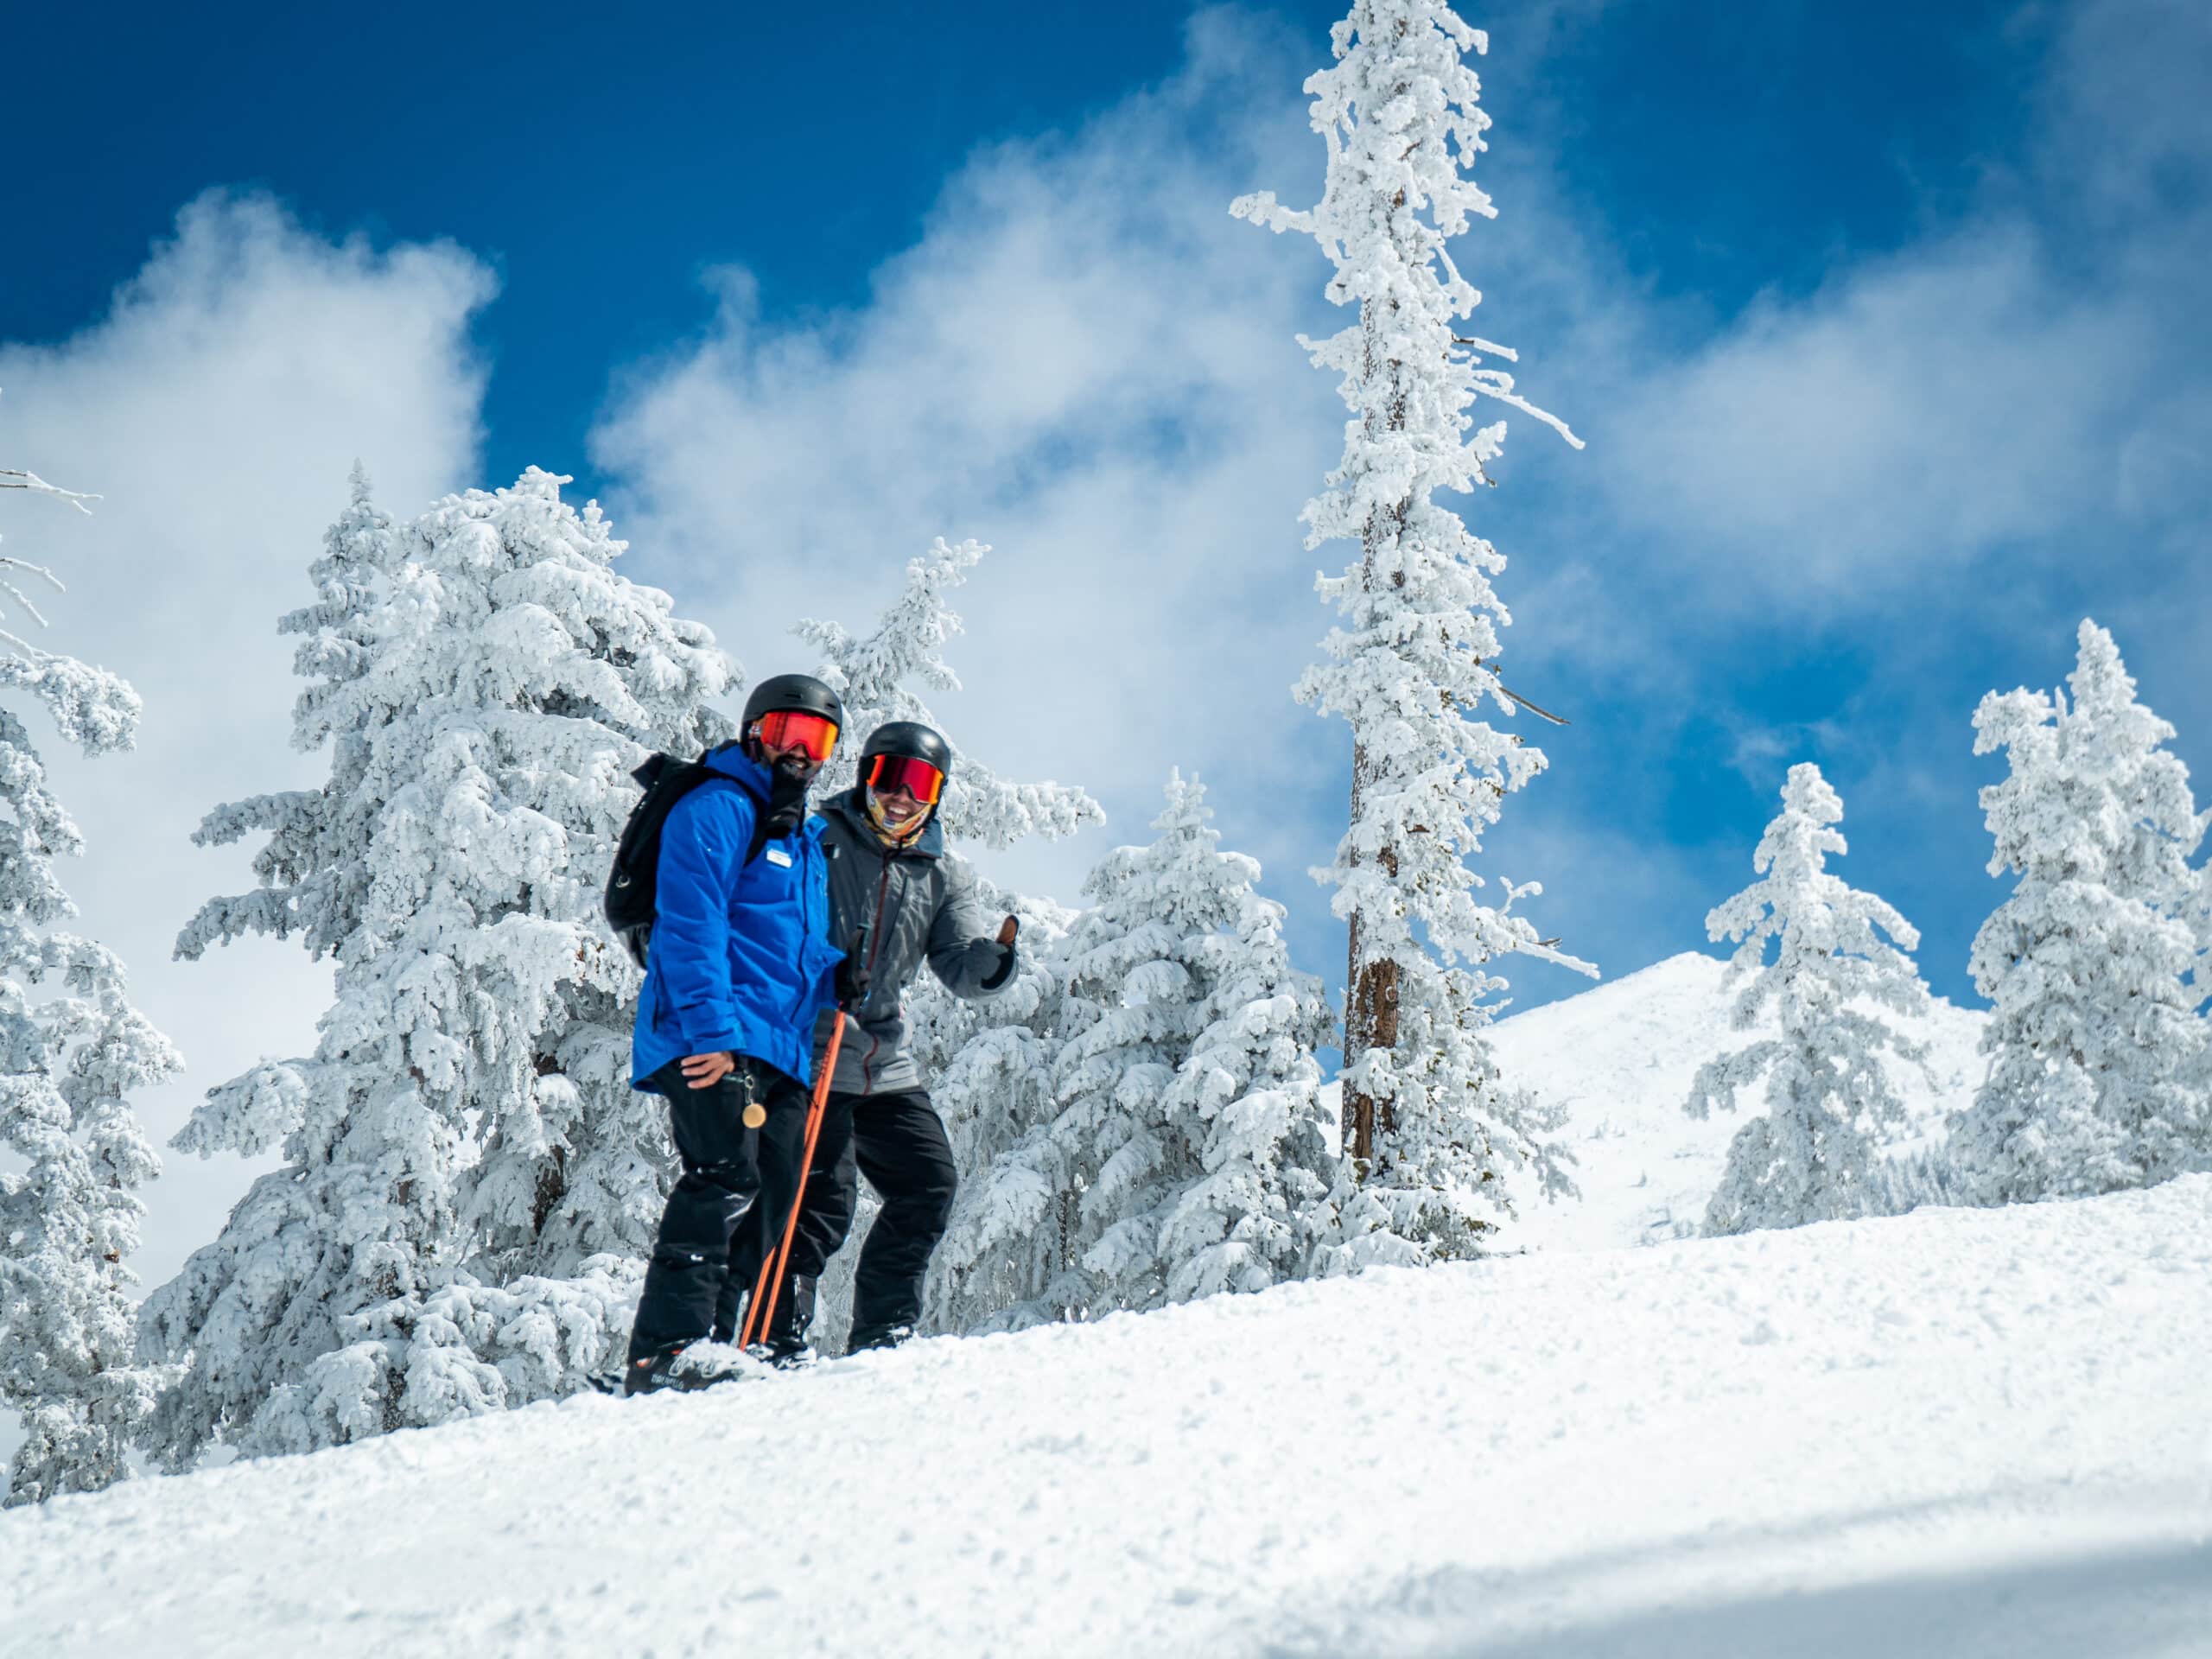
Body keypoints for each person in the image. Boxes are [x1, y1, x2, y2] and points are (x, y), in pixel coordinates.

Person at [730, 721, 1019, 1358]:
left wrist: (992, 963)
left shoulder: (939, 874)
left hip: (881, 1062)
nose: (902, 796)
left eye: (921, 784)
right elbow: (767, 914)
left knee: (927, 1181)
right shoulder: (819, 837)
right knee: (818, 1200)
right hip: (809, 1049)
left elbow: (960, 963)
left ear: (936, 795)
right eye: (891, 777)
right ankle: (775, 1337)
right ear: (867, 777)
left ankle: (883, 1332)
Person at [620, 673, 847, 1395]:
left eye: (819, 740)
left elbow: (783, 940)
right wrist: (711, 1033)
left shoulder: (804, 837)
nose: (801, 752)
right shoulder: (718, 805)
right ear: (756, 732)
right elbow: (692, 925)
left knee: (774, 1195)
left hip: (779, 1046)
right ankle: (668, 1351)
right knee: (724, 1176)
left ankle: (719, 1344)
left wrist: (837, 975)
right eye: (788, 733)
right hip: (712, 1034)